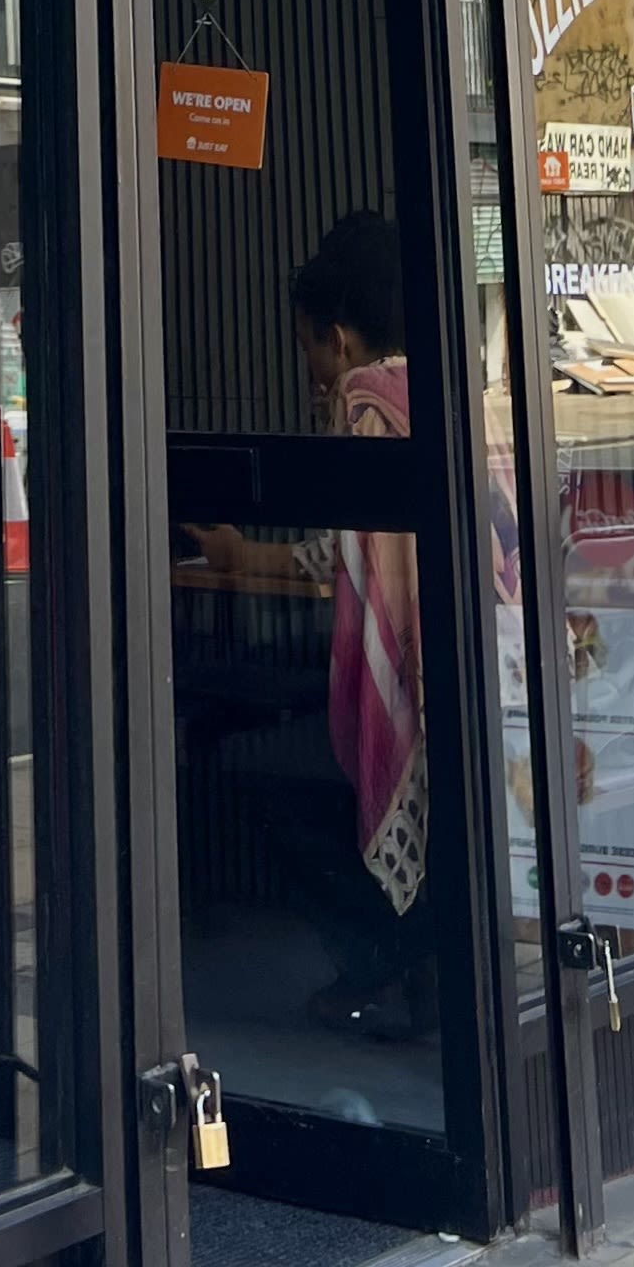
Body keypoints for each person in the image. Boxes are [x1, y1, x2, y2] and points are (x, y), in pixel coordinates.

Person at [194, 213, 427, 1037]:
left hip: (410, 687)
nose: (312, 371)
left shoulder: (365, 401)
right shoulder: (448, 386)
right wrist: (243, 555)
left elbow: (342, 557)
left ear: (337, 338)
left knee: (259, 767)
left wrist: (237, 555)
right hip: (468, 673)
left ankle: (377, 965)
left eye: (309, 349)